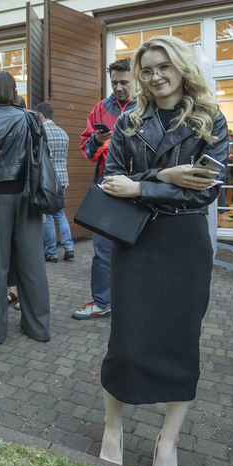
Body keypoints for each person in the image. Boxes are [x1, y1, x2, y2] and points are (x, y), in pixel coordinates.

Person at [96, 36, 228, 466]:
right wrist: (161, 177)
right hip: (136, 241)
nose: (156, 76)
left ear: (182, 67)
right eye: (148, 70)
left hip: (186, 242)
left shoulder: (211, 119)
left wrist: (143, 187)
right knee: (126, 339)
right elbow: (111, 181)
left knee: (180, 341)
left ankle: (167, 441)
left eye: (163, 67)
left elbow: (207, 188)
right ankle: (112, 427)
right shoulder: (128, 121)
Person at [0, 70, 51, 344]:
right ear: (14, 90)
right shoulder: (30, 117)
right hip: (27, 194)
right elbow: (42, 156)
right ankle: (38, 327)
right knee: (32, 262)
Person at [75, 58, 134, 320]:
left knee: (139, 247)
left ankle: (136, 299)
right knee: (102, 249)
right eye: (114, 83)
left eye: (124, 82)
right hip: (106, 185)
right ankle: (102, 302)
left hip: (139, 185)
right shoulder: (101, 108)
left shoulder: (149, 105)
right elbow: (86, 147)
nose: (118, 88)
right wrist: (98, 138)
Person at [35, 101, 73, 262]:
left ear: (41, 115)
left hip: (48, 181)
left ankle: (51, 252)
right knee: (59, 213)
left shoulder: (41, 132)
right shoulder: (64, 133)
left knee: (48, 216)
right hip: (62, 179)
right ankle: (69, 248)